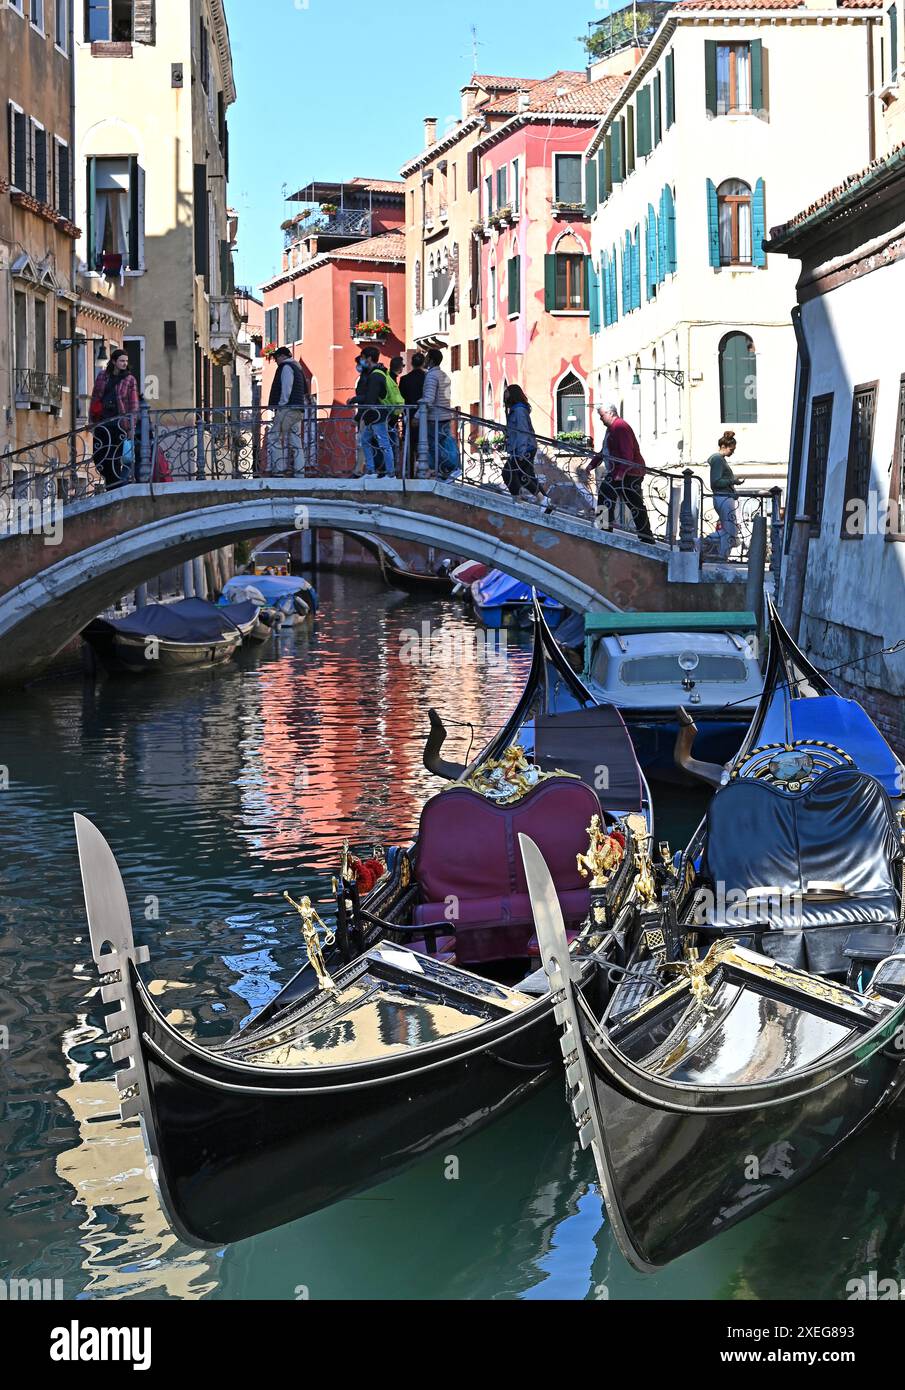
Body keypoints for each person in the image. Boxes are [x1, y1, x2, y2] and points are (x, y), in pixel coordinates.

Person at [586, 404, 654, 542]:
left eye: (602, 415)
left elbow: (627, 453)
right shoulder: (612, 429)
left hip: (628, 472)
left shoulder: (620, 427)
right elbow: (605, 450)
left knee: (611, 495)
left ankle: (604, 528)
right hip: (624, 471)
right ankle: (646, 535)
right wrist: (592, 464)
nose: (600, 419)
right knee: (632, 502)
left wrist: (620, 473)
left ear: (610, 413)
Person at [89, 349, 139, 489]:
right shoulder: (102, 376)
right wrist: (92, 421)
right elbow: (95, 398)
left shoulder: (130, 380)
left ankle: (114, 486)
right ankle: (111, 483)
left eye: (126, 361)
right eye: (122, 361)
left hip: (119, 424)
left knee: (115, 457)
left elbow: (133, 405)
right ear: (113, 361)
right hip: (102, 422)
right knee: (99, 456)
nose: (124, 363)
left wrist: (131, 428)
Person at [502, 385, 550, 508]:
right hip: (524, 447)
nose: (504, 395)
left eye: (506, 393)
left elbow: (523, 431)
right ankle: (544, 500)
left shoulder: (518, 410)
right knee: (526, 476)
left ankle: (518, 501)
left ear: (513, 394)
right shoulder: (515, 410)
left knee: (508, 473)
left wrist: (521, 452)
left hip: (524, 448)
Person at [352, 345, 395, 478]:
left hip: (377, 415)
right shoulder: (377, 373)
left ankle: (390, 473)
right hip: (373, 415)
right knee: (365, 441)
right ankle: (370, 471)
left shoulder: (375, 376)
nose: (362, 361)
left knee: (384, 444)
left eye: (363, 358)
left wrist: (355, 400)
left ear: (369, 358)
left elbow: (371, 397)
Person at [268, 347, 309, 476]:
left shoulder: (286, 368)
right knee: (295, 440)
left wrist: (281, 405)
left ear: (282, 356)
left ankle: (278, 470)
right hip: (297, 409)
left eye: (276, 357)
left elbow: (287, 388)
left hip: (287, 409)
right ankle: (299, 471)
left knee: (274, 437)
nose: (275, 360)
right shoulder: (298, 368)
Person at [419, 347, 459, 480]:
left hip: (434, 417)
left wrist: (417, 416)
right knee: (444, 444)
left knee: (433, 446)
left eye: (426, 357)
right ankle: (444, 471)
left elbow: (428, 400)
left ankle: (450, 468)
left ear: (430, 360)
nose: (424, 359)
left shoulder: (431, 376)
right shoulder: (444, 375)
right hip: (445, 416)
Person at [708, 430, 746, 560]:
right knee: (730, 532)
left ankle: (721, 555)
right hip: (723, 498)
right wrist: (732, 481)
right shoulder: (718, 460)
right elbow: (716, 482)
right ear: (724, 447)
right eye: (731, 449)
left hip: (724, 498)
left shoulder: (720, 460)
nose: (732, 452)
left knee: (731, 531)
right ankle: (708, 544)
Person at [400, 351, 427, 471]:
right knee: (425, 443)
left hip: (409, 415)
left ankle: (410, 471)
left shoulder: (404, 379)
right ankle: (425, 470)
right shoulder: (427, 378)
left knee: (410, 445)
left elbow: (402, 398)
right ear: (423, 363)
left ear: (411, 363)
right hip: (425, 415)